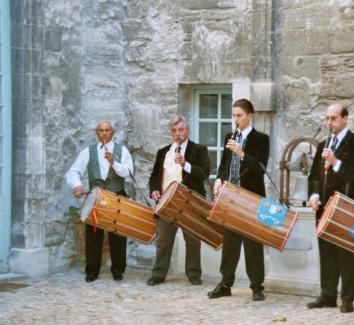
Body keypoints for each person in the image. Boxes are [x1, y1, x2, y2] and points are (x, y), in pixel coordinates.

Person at [307, 104, 354, 313]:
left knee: (346, 253)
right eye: (327, 118)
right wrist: (314, 195)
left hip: (346, 208)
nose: (329, 123)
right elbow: (315, 175)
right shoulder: (323, 145)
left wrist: (336, 163)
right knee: (326, 252)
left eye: (333, 118)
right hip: (324, 206)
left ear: (345, 119)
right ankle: (327, 295)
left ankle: (347, 298)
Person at [207, 99, 270, 301]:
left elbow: (260, 168)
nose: (235, 119)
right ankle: (226, 283)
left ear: (250, 116)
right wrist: (218, 179)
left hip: (251, 197)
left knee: (253, 243)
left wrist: (242, 153)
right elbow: (224, 164)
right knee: (230, 242)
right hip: (230, 197)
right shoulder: (230, 135)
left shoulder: (261, 139)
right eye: (233, 115)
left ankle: (257, 286)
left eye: (239, 115)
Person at [65, 121, 134, 282]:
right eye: (101, 130)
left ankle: (118, 270)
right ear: (97, 133)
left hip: (117, 194)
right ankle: (92, 271)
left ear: (113, 132)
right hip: (95, 196)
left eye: (107, 130)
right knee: (93, 233)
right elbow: (73, 171)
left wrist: (113, 163)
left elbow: (128, 172)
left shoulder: (121, 150)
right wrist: (77, 186)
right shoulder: (88, 152)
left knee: (118, 234)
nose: (104, 133)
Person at [147, 116, 210, 286]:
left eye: (181, 130)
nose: (177, 134)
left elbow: (204, 173)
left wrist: (186, 164)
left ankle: (194, 274)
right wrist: (154, 189)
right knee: (163, 240)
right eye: (174, 131)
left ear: (187, 130)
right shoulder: (163, 152)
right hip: (166, 203)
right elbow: (154, 175)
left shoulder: (199, 150)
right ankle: (158, 274)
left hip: (189, 202)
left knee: (192, 240)